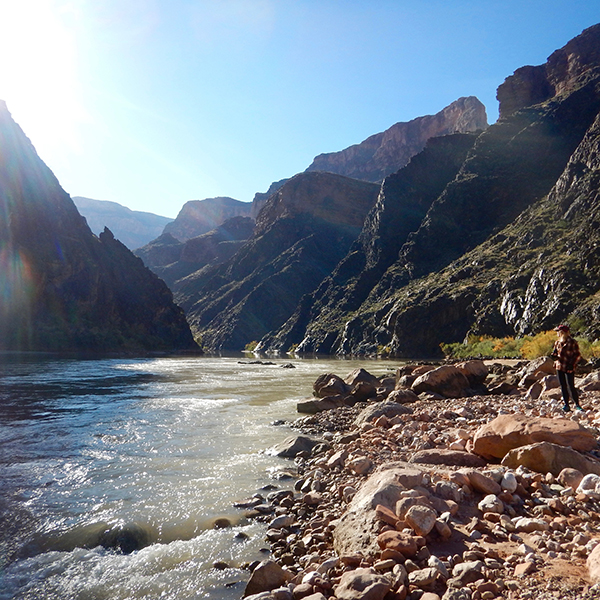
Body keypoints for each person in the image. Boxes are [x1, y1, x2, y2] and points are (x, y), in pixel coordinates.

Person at [550, 324, 583, 412]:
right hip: (559, 366)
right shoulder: (557, 342)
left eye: (558, 331)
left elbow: (577, 355)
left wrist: (572, 364)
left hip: (569, 367)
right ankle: (566, 405)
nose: (557, 333)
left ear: (562, 332)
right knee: (563, 386)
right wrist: (554, 356)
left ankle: (577, 405)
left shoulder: (572, 342)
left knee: (571, 386)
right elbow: (555, 353)